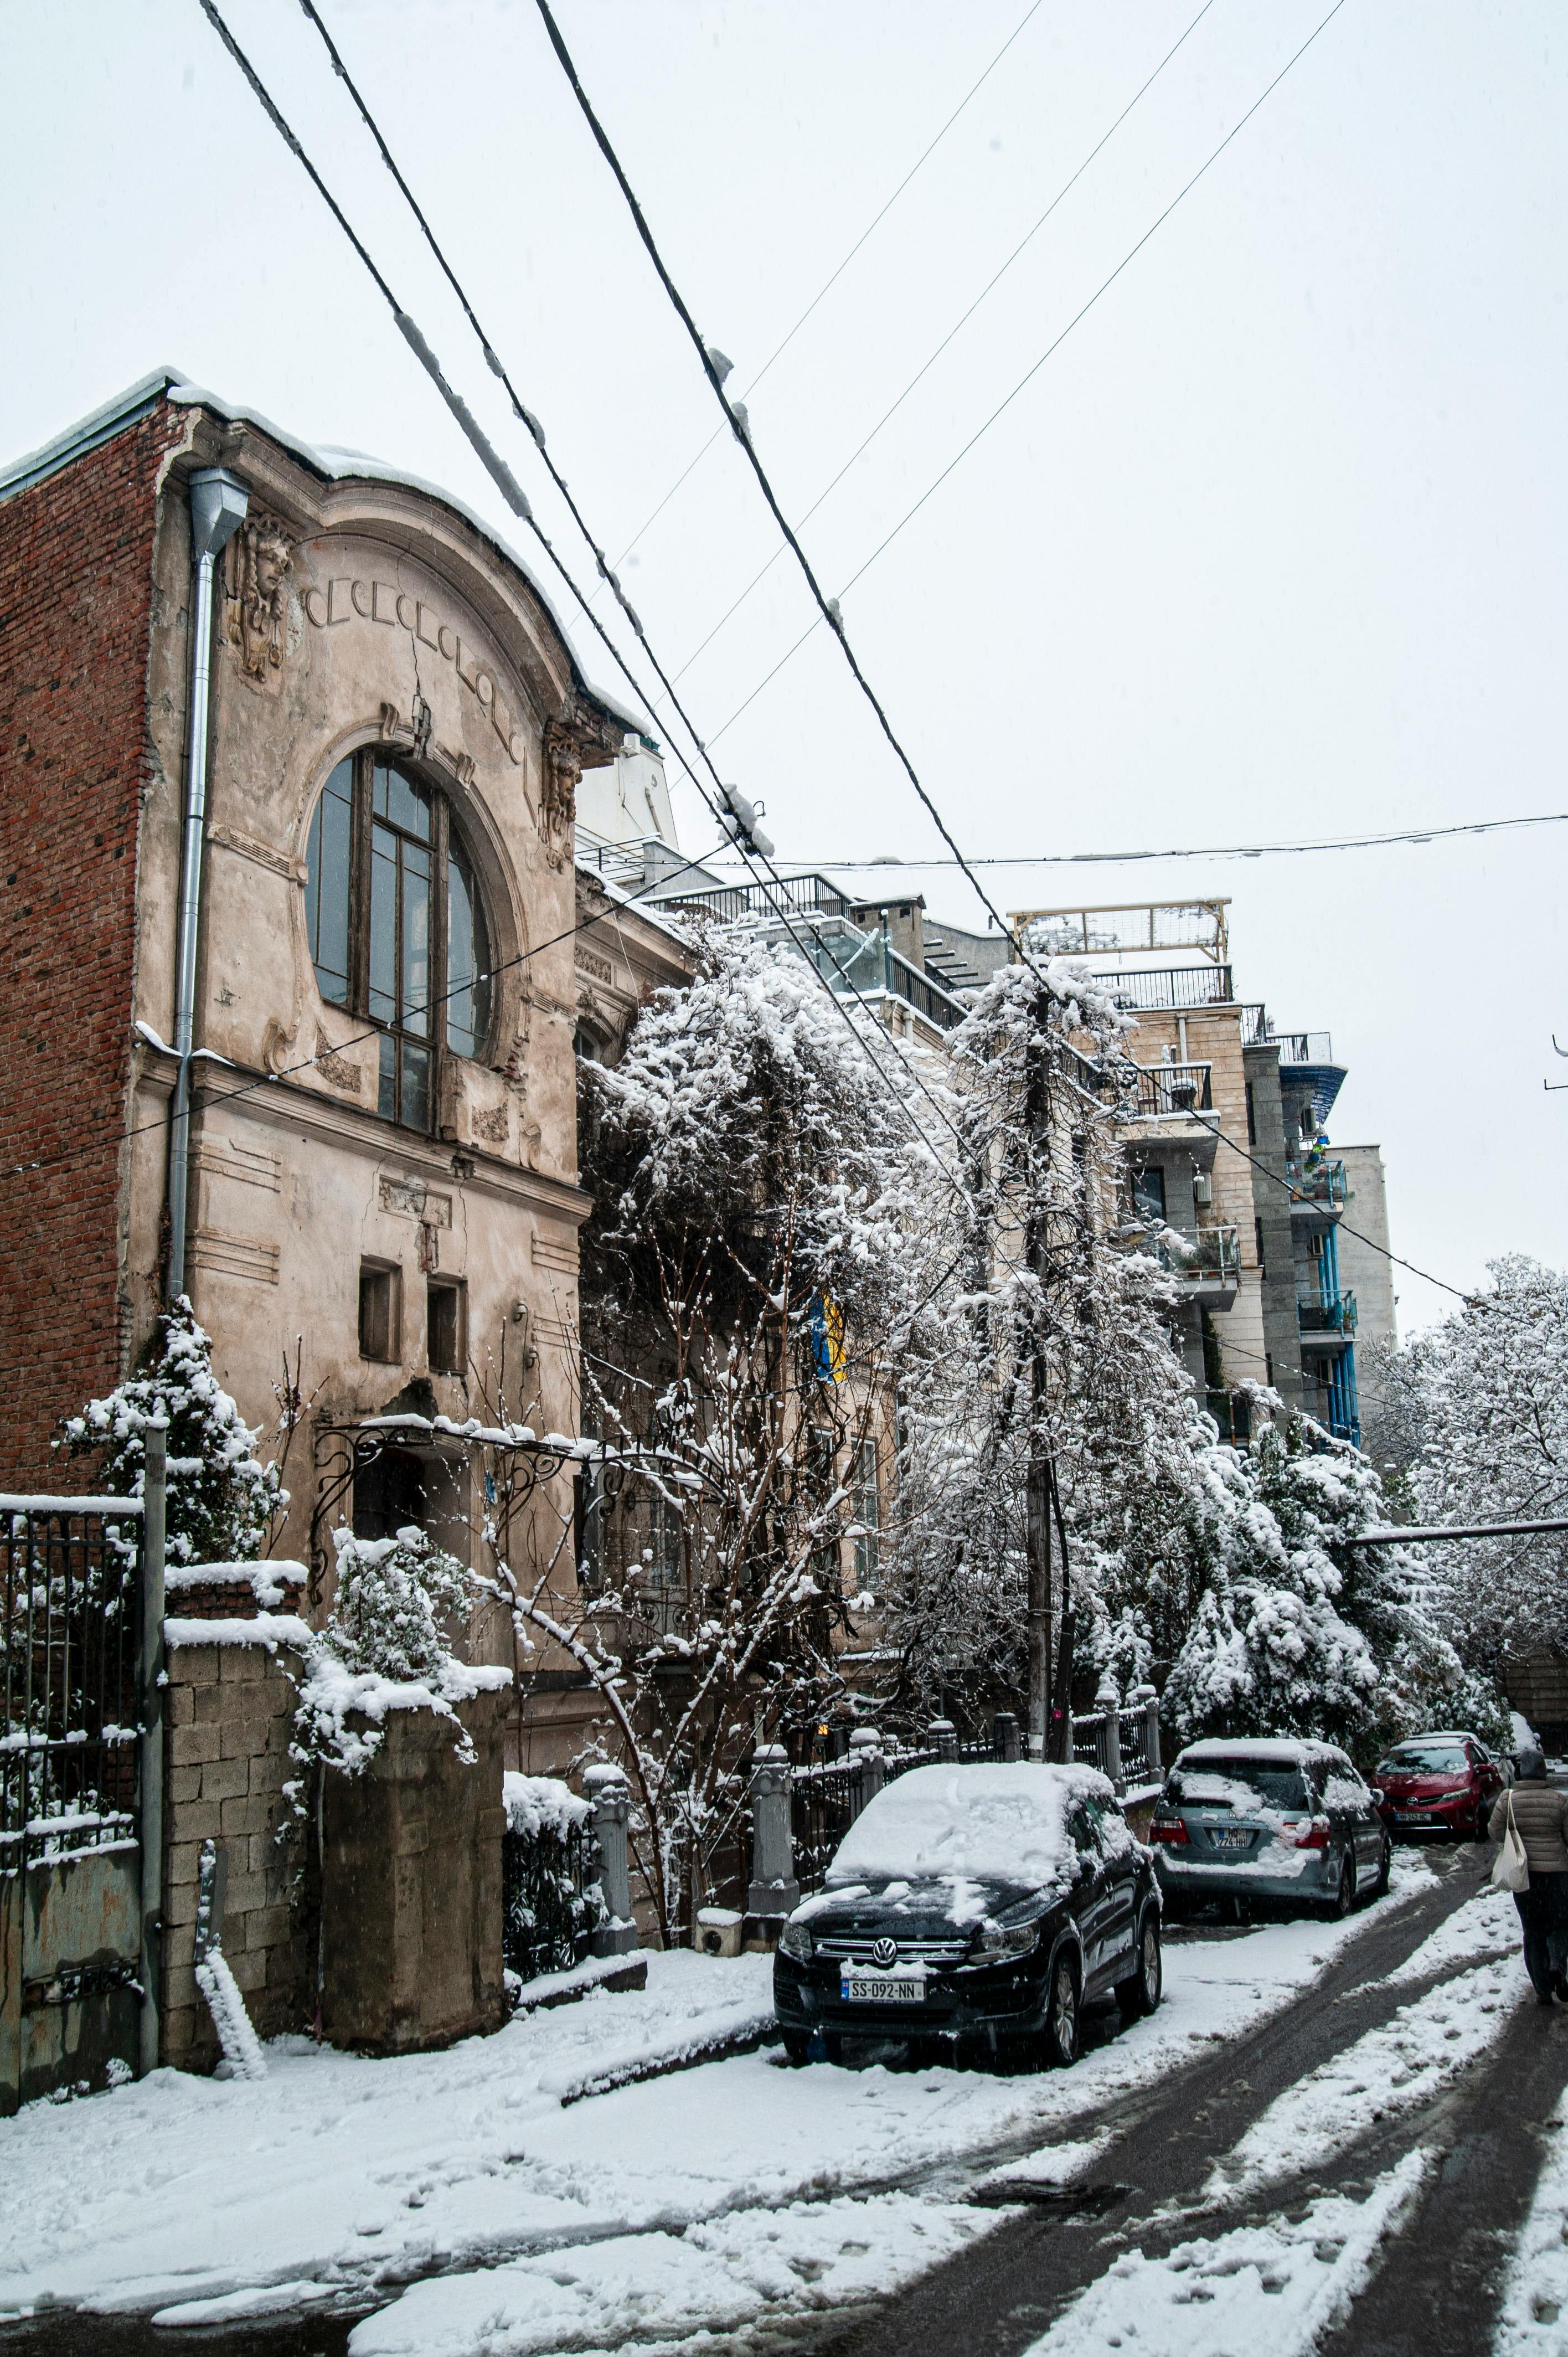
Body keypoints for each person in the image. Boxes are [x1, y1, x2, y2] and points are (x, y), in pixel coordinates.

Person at [1490, 1750, 1568, 2005]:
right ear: (1543, 1770)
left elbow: (1494, 1831)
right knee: (1560, 1924)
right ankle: (1557, 1963)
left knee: (1533, 1931)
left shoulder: (1508, 1799)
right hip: (1556, 1875)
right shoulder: (1559, 1800)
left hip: (1524, 1876)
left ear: (1522, 1771)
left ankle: (1543, 1990)